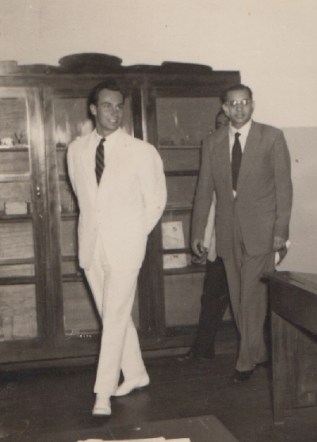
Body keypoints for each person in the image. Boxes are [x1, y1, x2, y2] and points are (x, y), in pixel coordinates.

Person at [66, 80, 167, 416]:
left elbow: (155, 202)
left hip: (126, 247)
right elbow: (84, 198)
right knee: (114, 315)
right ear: (93, 109)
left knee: (113, 317)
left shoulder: (142, 151)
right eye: (107, 106)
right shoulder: (77, 150)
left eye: (119, 106)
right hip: (92, 246)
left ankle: (102, 392)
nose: (114, 112)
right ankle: (136, 373)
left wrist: (135, 234)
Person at [191, 84, 292, 382]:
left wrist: (281, 231)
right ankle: (258, 351)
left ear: (252, 105)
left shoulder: (272, 137)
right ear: (224, 108)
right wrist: (198, 231)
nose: (238, 108)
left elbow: (284, 188)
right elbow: (203, 191)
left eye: (244, 102)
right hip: (226, 231)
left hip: (262, 232)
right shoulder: (212, 142)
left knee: (251, 295)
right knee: (237, 297)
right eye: (232, 104)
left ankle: (245, 360)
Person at [178, 110, 231, 362]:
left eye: (226, 125)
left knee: (252, 302)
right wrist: (203, 239)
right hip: (219, 243)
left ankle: (260, 354)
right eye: (217, 125)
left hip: (245, 245)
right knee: (211, 297)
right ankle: (202, 349)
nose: (220, 131)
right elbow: (206, 201)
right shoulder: (212, 155)